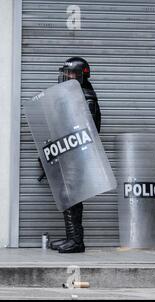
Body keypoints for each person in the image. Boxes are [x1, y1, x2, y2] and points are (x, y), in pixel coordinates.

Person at [49, 56, 101, 253]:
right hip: (67, 151)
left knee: (72, 195)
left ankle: (77, 241)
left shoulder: (86, 97)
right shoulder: (70, 94)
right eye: (66, 72)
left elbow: (89, 129)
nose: (67, 76)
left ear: (82, 75)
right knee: (66, 194)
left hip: (78, 154)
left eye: (71, 73)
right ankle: (71, 236)